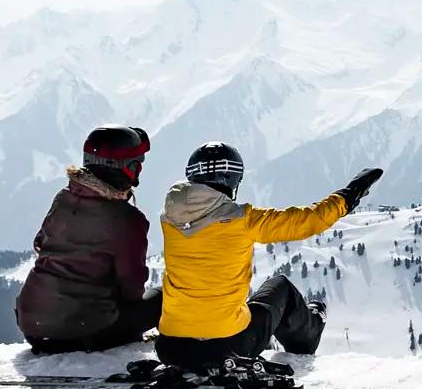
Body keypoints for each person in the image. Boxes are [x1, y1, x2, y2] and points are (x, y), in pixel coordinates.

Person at [157, 141, 381, 372]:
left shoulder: (168, 218)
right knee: (280, 286)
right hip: (230, 345)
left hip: (171, 347)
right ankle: (308, 336)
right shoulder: (244, 219)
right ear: (232, 180)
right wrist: (350, 194)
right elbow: (309, 220)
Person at [13, 125, 159, 354]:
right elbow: (131, 286)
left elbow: (40, 243)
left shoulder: (63, 198)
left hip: (32, 326)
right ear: (128, 169)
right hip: (79, 331)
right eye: (137, 163)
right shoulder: (128, 219)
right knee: (162, 298)